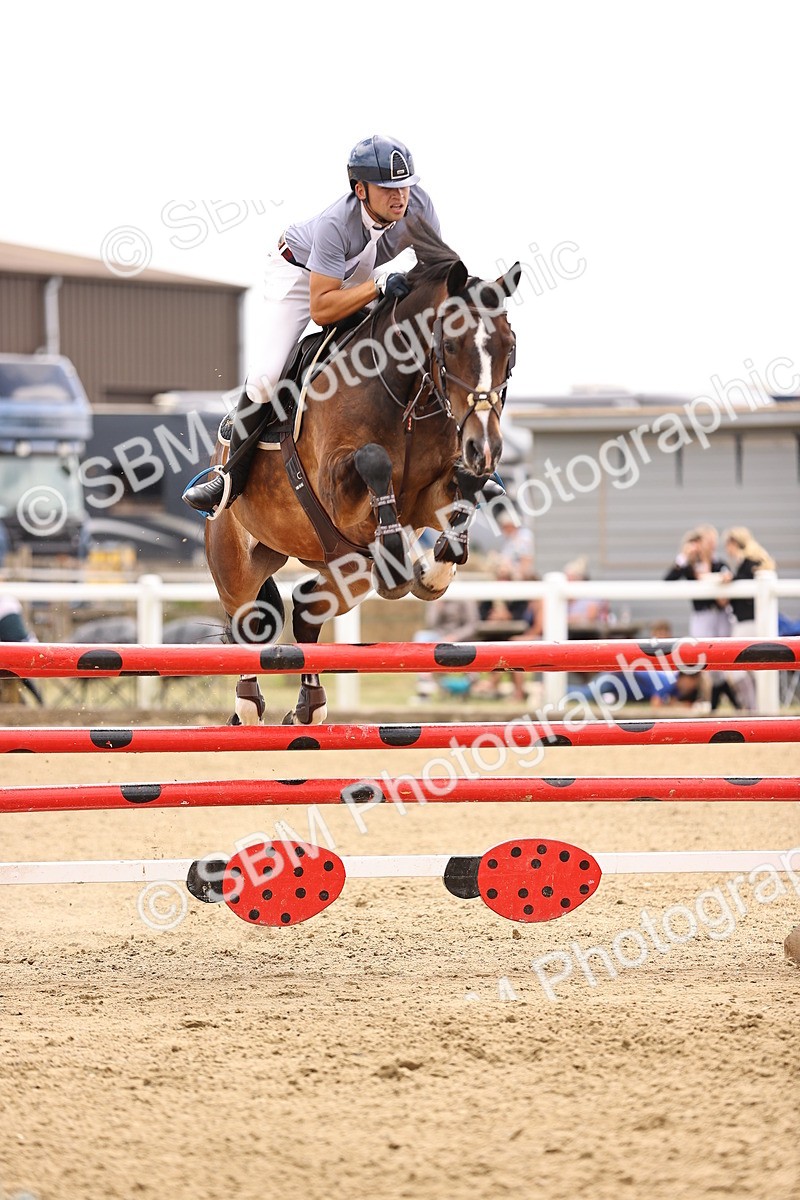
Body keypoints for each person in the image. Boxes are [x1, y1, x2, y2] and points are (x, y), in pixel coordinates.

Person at [184, 134, 441, 516]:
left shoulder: (419, 205)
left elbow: (437, 270)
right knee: (266, 378)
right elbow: (321, 308)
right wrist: (377, 288)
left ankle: (460, 458)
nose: (400, 196)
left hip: (357, 273)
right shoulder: (336, 224)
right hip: (299, 275)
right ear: (361, 190)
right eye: (388, 188)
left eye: (404, 186)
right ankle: (229, 478)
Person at [664, 525, 739, 711]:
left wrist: (725, 579)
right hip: (702, 615)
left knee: (722, 655)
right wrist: (683, 556)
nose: (711, 545)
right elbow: (668, 580)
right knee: (704, 656)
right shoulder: (690, 565)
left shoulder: (719, 564)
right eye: (707, 540)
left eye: (713, 541)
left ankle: (720, 699)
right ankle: (727, 699)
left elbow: (728, 579)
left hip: (721, 615)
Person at [720, 527, 776, 712]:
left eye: (727, 544)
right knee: (752, 669)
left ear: (734, 543)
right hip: (753, 622)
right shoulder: (752, 561)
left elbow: (746, 585)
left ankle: (754, 709)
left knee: (735, 667)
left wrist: (731, 580)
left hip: (748, 623)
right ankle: (757, 709)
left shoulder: (749, 562)